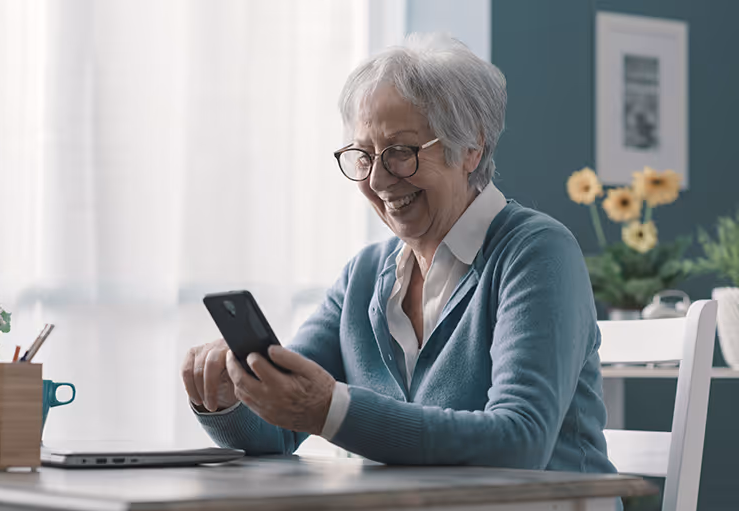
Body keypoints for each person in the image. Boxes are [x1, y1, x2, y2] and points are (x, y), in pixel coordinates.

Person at [181, 33, 616, 472]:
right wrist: (228, 401)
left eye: (400, 153)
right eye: (364, 156)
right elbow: (280, 428)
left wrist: (331, 409)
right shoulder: (365, 275)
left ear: (470, 148)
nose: (378, 181)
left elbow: (519, 441)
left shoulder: (536, 252)